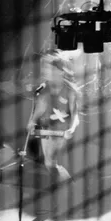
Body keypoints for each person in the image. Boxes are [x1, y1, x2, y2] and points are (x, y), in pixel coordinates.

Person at [27, 50, 79, 182]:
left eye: (48, 68)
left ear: (60, 71)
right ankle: (63, 183)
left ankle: (69, 184)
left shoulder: (70, 91)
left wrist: (71, 129)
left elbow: (75, 115)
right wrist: (32, 121)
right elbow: (40, 108)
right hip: (47, 130)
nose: (45, 71)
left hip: (62, 132)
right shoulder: (44, 89)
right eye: (44, 68)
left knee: (53, 161)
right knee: (49, 163)